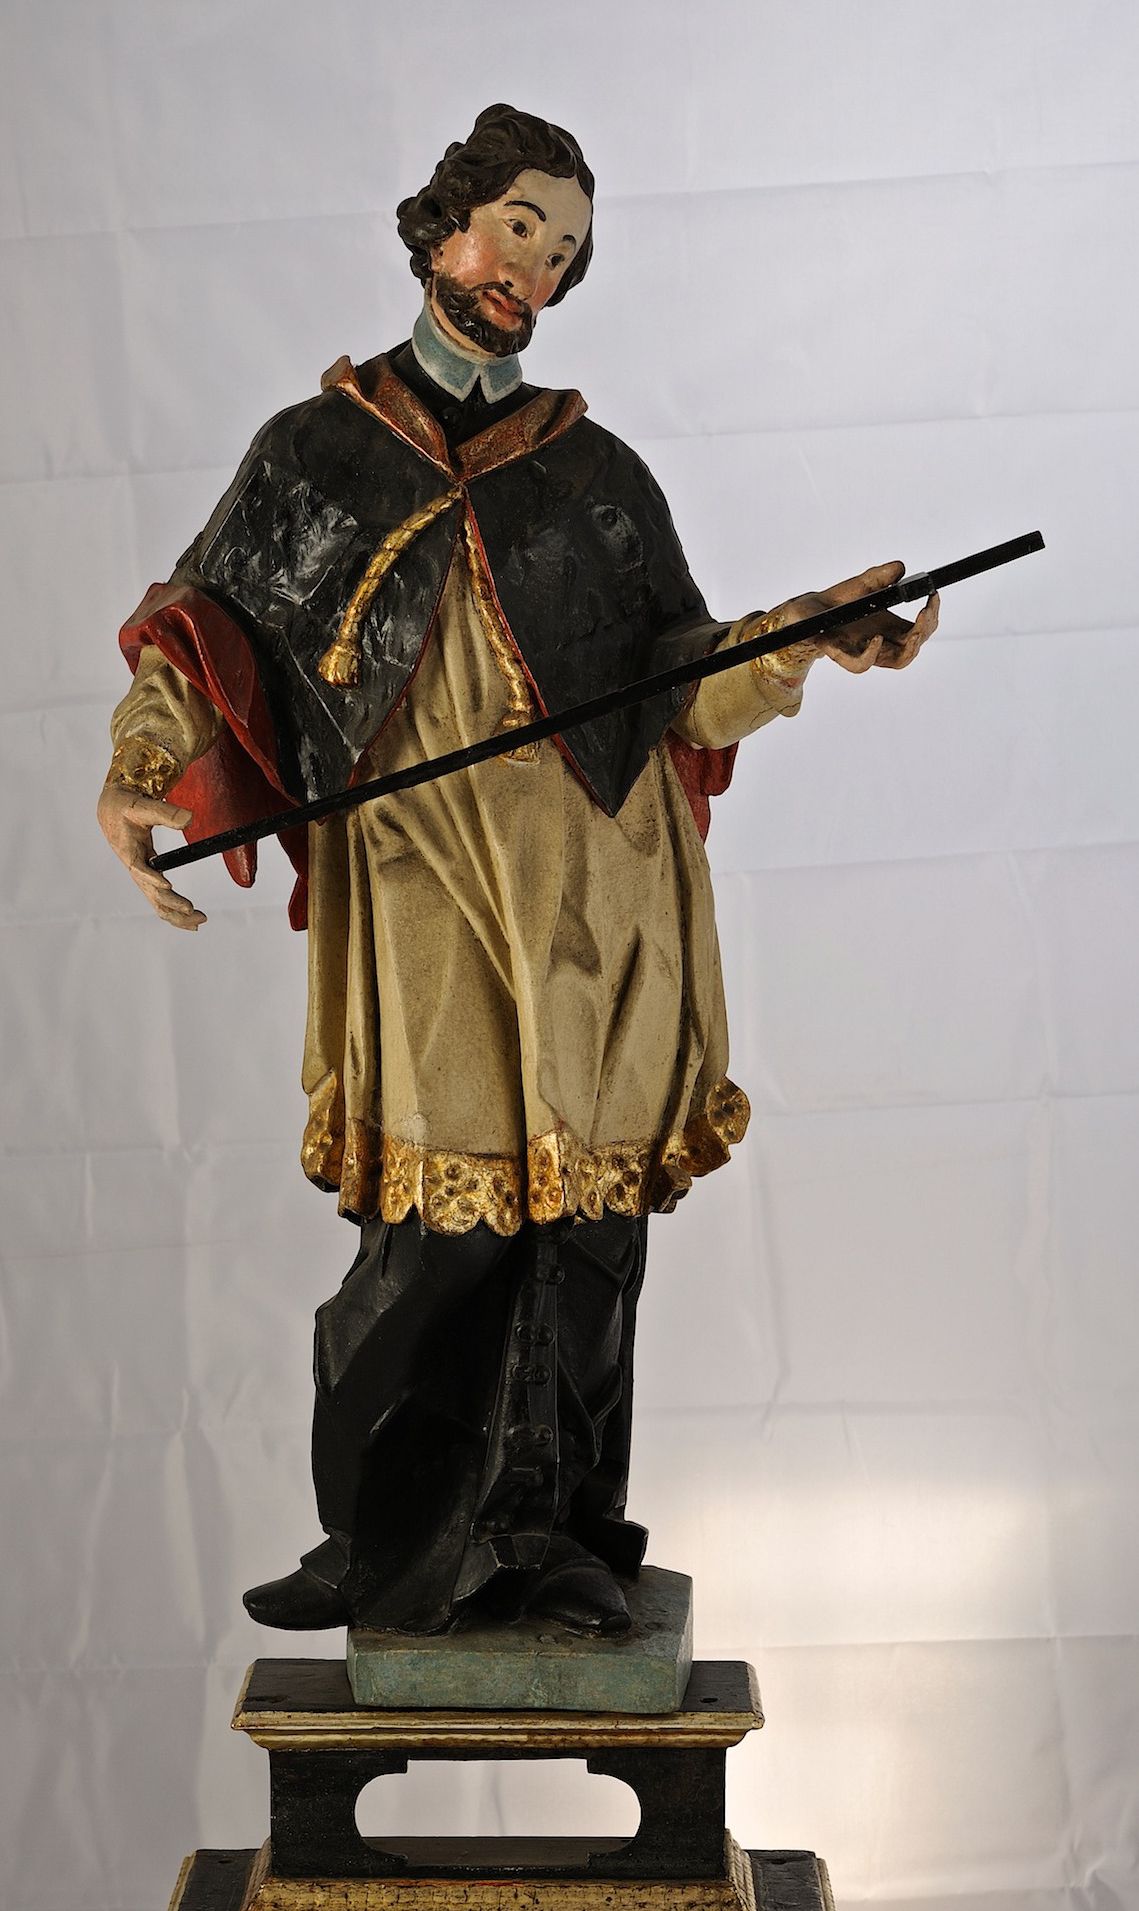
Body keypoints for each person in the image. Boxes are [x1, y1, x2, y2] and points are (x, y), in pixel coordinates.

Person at [98, 105, 938, 1636]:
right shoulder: (315, 453)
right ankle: (379, 1537)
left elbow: (679, 684)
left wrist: (800, 637)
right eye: (516, 230)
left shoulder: (593, 472)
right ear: (441, 231)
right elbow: (207, 633)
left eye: (561, 253)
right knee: (437, 1237)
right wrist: (140, 769)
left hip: (598, 897)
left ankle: (553, 1541)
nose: (531, 273)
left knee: (584, 1241)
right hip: (419, 891)